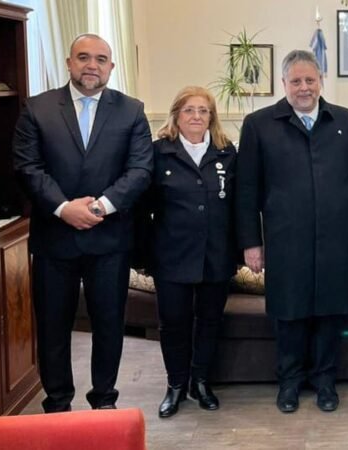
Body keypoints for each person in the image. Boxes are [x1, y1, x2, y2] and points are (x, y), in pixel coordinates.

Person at [12, 33, 153, 412]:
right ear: (69, 63)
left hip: (110, 240)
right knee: (53, 326)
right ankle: (57, 403)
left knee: (109, 325)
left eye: (101, 59)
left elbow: (140, 170)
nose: (92, 65)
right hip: (54, 239)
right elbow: (27, 167)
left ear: (111, 66)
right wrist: (62, 208)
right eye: (84, 58)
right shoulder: (37, 108)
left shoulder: (132, 110)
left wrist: (100, 207)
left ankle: (104, 400)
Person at [236, 50, 348, 413]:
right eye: (296, 81)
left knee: (329, 314)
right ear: (284, 84)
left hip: (336, 242)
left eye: (310, 80)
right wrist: (250, 243)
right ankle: (289, 383)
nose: (304, 87)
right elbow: (247, 189)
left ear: (321, 80)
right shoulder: (259, 123)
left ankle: (325, 383)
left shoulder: (347, 121)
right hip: (284, 241)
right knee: (289, 315)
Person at [137, 86, 237, 418]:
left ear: (212, 117)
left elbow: (239, 206)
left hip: (216, 255)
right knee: (173, 323)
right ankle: (176, 385)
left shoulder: (227, 153)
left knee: (209, 321)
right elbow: (142, 210)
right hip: (172, 255)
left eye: (203, 111)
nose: (196, 117)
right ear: (176, 115)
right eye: (189, 110)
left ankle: (200, 381)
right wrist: (144, 256)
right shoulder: (158, 152)